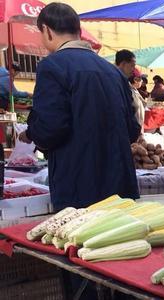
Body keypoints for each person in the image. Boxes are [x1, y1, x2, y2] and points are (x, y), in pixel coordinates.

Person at [19, 3, 141, 211]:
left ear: (47, 30)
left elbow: (51, 127)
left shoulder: (52, 66)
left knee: (78, 243)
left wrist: (32, 133)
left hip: (78, 186)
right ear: (78, 30)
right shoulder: (113, 72)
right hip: (119, 183)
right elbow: (132, 129)